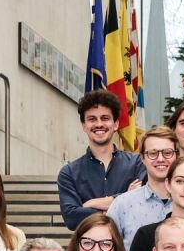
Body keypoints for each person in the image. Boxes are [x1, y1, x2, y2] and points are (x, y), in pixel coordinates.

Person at [107, 126, 184, 251]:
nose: (160, 159)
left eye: (167, 153)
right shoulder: (122, 205)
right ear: (142, 158)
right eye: (153, 153)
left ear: (177, 156)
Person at [58, 89, 146, 230]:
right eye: (92, 119)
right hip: (89, 249)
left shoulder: (137, 163)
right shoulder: (69, 173)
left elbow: (140, 201)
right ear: (84, 126)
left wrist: (91, 203)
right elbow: (71, 218)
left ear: (116, 124)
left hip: (129, 248)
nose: (99, 124)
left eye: (105, 118)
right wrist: (124, 199)